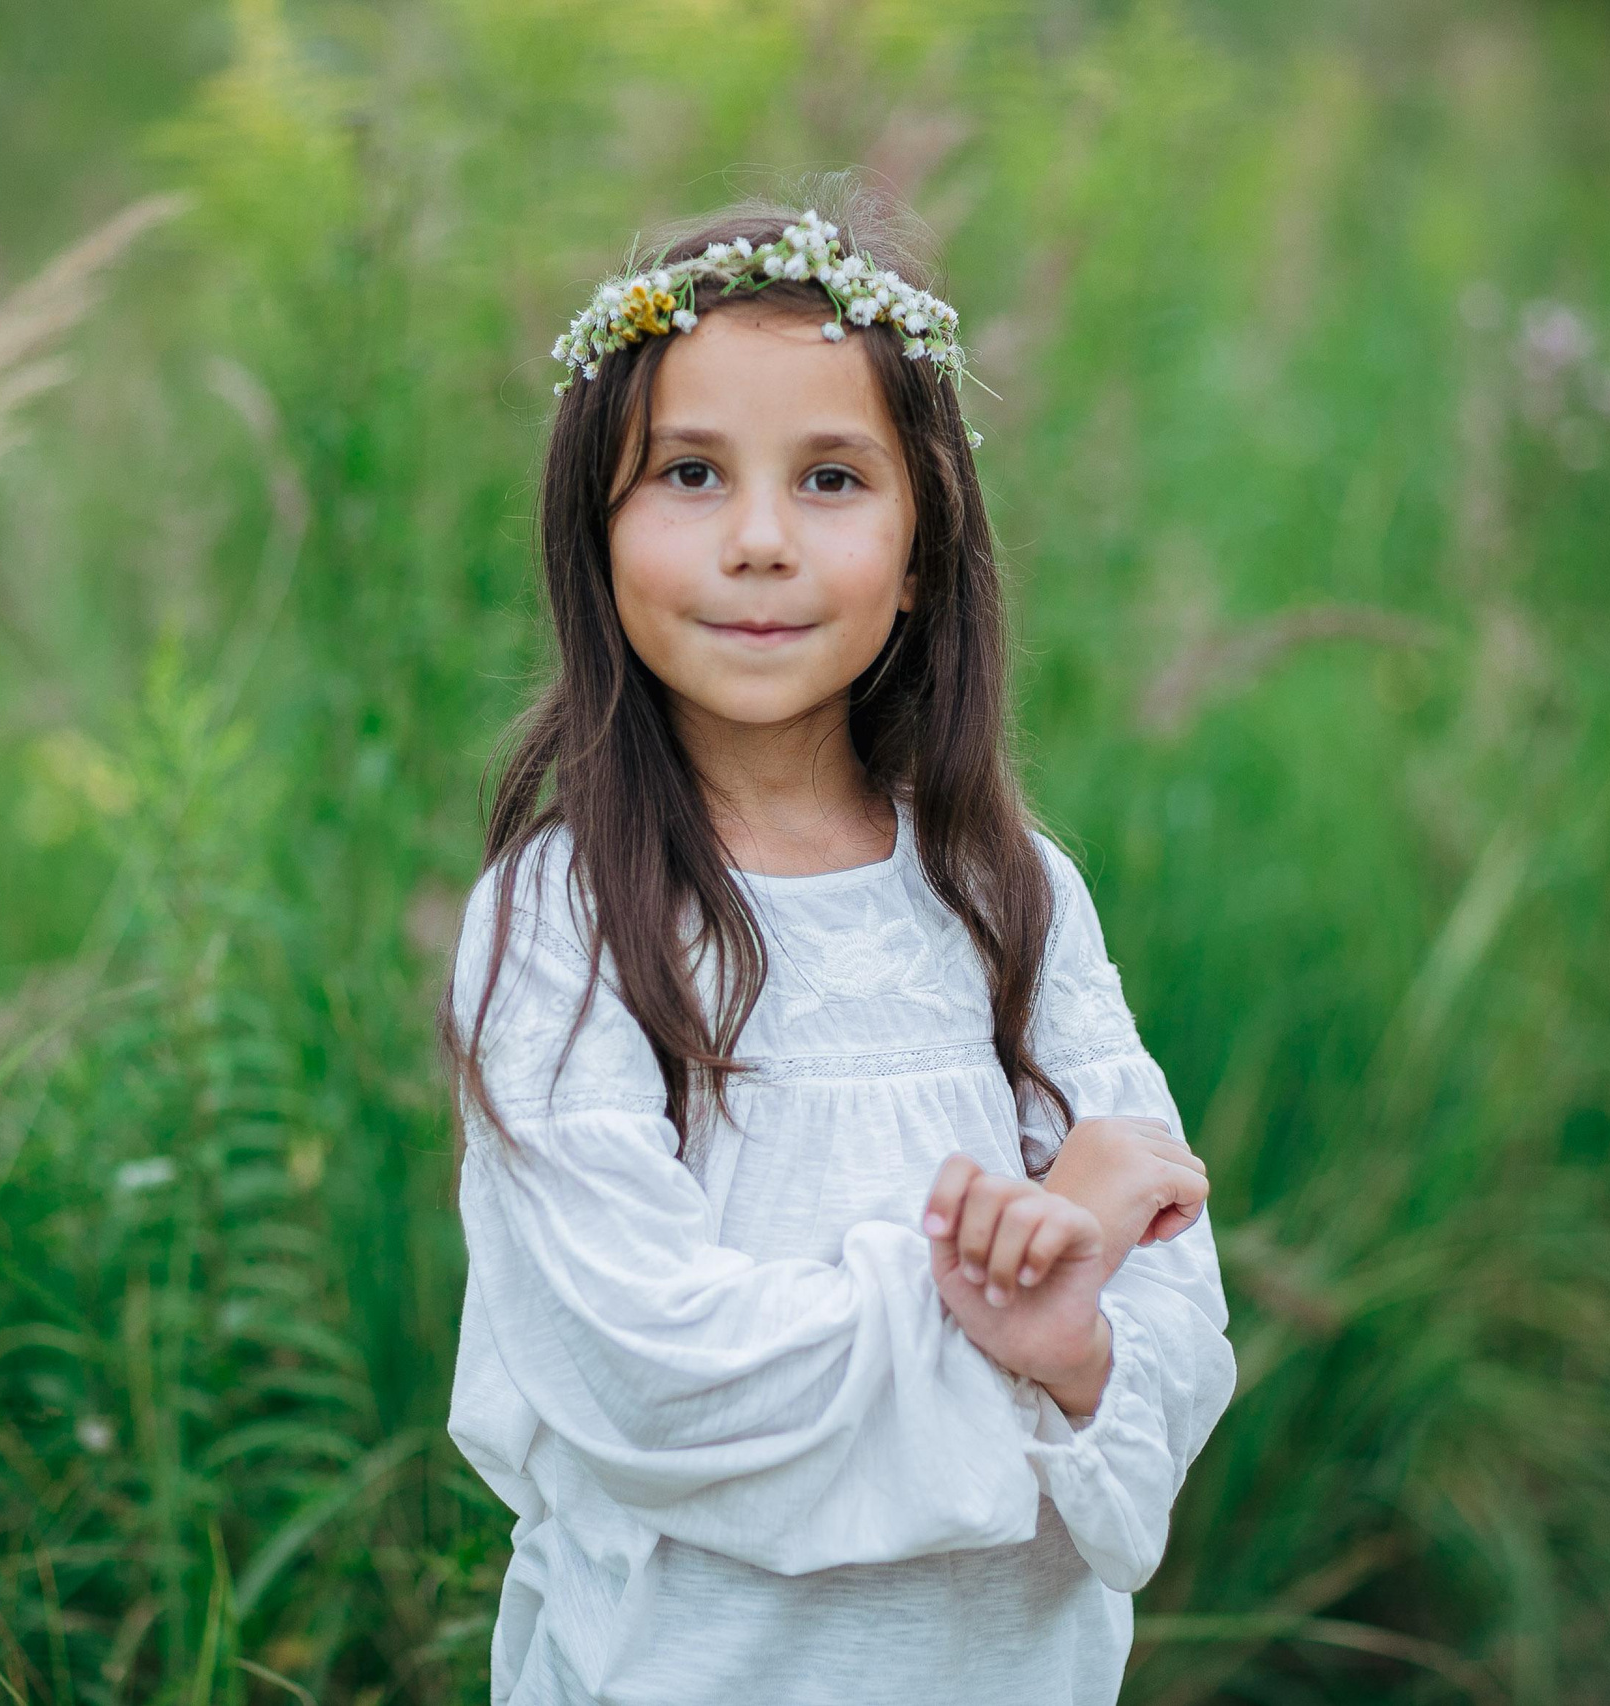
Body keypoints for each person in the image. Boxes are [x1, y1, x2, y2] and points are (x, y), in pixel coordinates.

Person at [442, 188, 1237, 1706]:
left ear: (924, 543)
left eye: (829, 477)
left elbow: (1165, 1298)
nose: (757, 541)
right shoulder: (569, 916)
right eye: (688, 473)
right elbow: (652, 1372)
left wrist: (1079, 1355)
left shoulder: (1013, 895)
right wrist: (996, 1323)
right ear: (593, 529)